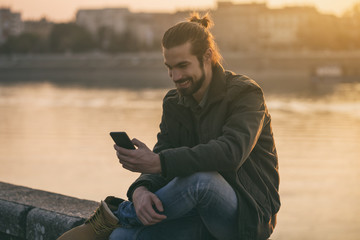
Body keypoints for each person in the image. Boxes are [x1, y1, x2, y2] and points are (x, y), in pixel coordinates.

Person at [57, 12, 280, 240]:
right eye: (169, 67)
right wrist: (140, 191)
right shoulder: (174, 102)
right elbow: (164, 154)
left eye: (183, 66)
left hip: (245, 219)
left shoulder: (246, 94)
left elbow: (231, 153)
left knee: (201, 181)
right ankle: (117, 223)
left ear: (207, 57)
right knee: (120, 238)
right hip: (196, 216)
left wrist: (159, 163)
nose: (175, 76)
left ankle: (117, 214)